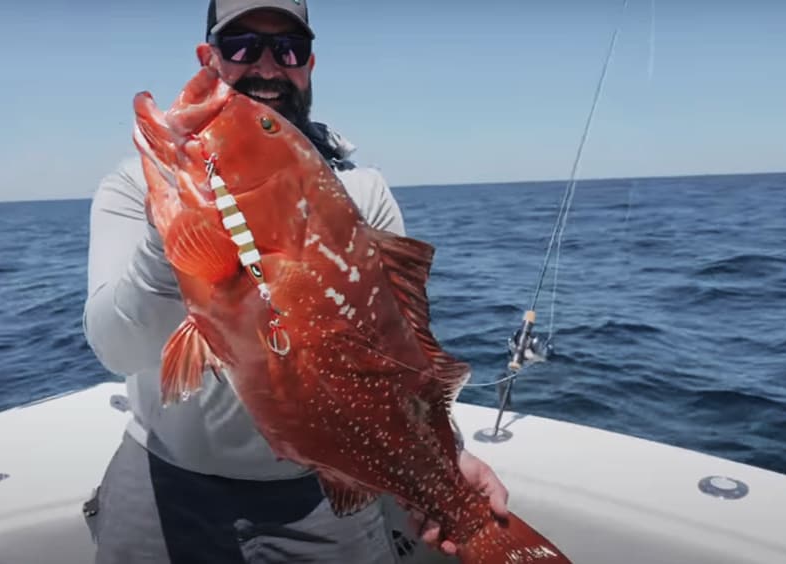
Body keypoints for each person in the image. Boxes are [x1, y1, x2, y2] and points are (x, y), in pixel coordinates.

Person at [82, 1, 510, 562]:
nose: (266, 67)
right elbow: (118, 348)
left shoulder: (364, 193)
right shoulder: (133, 189)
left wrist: (446, 462)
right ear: (207, 58)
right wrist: (181, 240)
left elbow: (401, 358)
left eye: (289, 48)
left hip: (320, 498)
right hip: (166, 478)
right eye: (241, 46)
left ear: (309, 64)